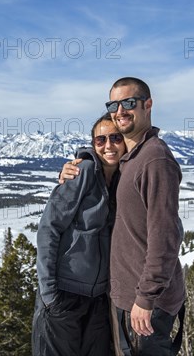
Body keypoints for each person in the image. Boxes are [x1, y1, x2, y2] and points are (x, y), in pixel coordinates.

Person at [60, 77, 185, 356]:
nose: (120, 111)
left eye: (129, 102)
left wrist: (146, 297)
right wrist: (71, 170)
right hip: (127, 297)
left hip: (146, 304)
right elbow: (104, 156)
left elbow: (165, 236)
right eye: (114, 104)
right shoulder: (131, 157)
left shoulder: (155, 160)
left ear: (148, 105)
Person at [32, 113, 126, 356]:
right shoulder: (82, 171)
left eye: (115, 138)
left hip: (97, 299)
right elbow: (48, 228)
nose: (108, 145)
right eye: (100, 140)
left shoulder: (122, 178)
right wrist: (50, 294)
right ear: (93, 144)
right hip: (64, 294)